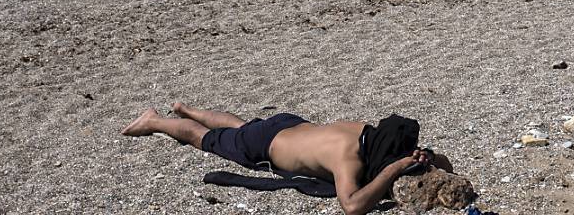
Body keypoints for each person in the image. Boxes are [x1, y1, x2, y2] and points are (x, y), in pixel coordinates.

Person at [121, 103, 453, 215]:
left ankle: (185, 108)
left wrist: (428, 157)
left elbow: (445, 165)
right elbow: (351, 206)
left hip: (289, 125)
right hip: (266, 145)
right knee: (203, 138)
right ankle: (155, 121)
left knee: (240, 126)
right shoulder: (347, 157)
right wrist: (394, 168)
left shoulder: (367, 132)